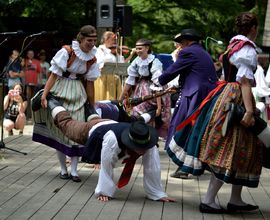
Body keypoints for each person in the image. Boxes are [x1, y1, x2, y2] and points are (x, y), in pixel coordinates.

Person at [167, 12, 261, 213]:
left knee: (243, 147)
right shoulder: (247, 49)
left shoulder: (233, 45)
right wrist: (250, 111)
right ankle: (208, 200)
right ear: (254, 28)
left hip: (224, 94)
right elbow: (244, 82)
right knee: (228, 148)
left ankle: (236, 199)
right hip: (237, 98)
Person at [32, 95, 175, 202]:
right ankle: (50, 99)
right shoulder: (112, 140)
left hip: (110, 123)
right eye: (139, 148)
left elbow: (153, 167)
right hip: (92, 130)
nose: (143, 151)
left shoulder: (146, 138)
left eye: (143, 147)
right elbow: (106, 165)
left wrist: (158, 194)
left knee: (133, 120)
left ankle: (88, 104)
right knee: (66, 124)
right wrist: (104, 192)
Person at [32, 25, 100, 182]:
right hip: (60, 90)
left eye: (94, 40)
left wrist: (92, 105)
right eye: (89, 40)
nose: (92, 43)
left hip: (78, 93)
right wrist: (45, 95)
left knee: (76, 131)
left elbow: (90, 83)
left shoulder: (92, 58)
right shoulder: (67, 52)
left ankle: (75, 171)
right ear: (81, 39)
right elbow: (54, 75)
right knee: (61, 133)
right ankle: (63, 169)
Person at [158, 29, 218, 178]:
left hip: (193, 96)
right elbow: (197, 75)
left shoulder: (188, 52)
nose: (179, 46)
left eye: (180, 43)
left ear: (185, 41)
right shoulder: (202, 52)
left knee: (181, 127)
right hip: (206, 95)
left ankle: (184, 167)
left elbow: (170, 72)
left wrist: (160, 80)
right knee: (198, 129)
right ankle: (198, 164)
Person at [120, 39, 171, 139]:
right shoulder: (136, 61)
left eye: (140, 48)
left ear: (147, 48)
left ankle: (152, 137)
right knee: (138, 112)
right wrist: (120, 98)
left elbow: (157, 84)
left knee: (156, 114)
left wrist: (159, 107)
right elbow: (130, 80)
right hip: (141, 88)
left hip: (155, 90)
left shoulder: (155, 62)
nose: (138, 51)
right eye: (137, 48)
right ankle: (141, 135)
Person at [23, 49, 42, 120]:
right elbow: (22, 69)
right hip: (27, 83)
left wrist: (40, 82)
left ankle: (33, 116)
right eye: (29, 54)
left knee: (33, 99)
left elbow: (39, 72)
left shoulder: (37, 62)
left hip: (35, 83)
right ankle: (28, 116)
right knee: (27, 99)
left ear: (34, 55)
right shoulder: (25, 61)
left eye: (32, 54)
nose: (31, 55)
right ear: (27, 55)